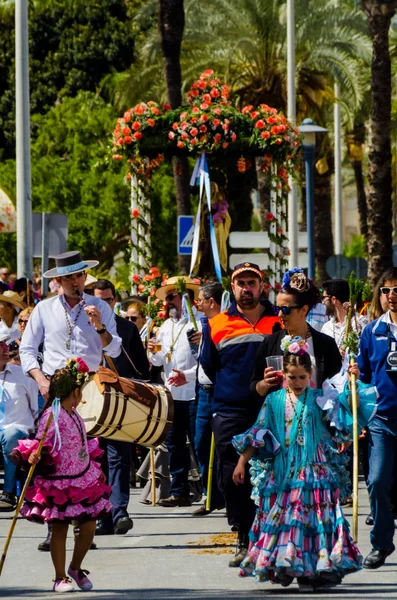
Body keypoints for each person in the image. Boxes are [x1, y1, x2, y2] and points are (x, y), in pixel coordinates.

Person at [232, 340, 366, 590]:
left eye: (302, 377)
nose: (297, 382)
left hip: (314, 469)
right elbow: (259, 434)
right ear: (284, 374)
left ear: (310, 374)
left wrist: (352, 384)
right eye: (292, 377)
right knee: (285, 518)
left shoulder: (321, 398)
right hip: (283, 470)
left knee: (314, 518)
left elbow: (344, 416)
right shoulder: (273, 401)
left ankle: (315, 568)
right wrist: (242, 461)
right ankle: (284, 563)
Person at [19, 250, 121, 551]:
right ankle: (55, 527)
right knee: (52, 458)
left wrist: (100, 327)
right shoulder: (44, 309)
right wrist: (40, 379)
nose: (76, 281)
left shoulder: (100, 305)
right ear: (59, 281)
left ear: (84, 277)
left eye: (79, 276)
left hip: (90, 388)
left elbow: (114, 349)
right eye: (69, 277)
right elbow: (27, 350)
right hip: (54, 388)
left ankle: (85, 525)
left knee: (89, 457)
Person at [200, 262, 280, 567]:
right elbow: (209, 366)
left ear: (262, 286)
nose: (247, 288)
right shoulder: (217, 324)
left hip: (271, 407)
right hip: (231, 409)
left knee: (273, 470)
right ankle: (243, 536)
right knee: (234, 473)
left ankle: (271, 535)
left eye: (252, 282)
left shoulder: (278, 320)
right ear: (232, 288)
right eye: (241, 283)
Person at [12, 358, 112, 593]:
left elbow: (84, 445)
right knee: (60, 527)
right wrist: (34, 454)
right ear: (74, 391)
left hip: (82, 477)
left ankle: (76, 568)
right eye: (81, 392)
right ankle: (59, 577)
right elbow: (39, 444)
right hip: (58, 482)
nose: (83, 397)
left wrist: (96, 472)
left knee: (89, 525)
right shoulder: (51, 417)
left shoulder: (76, 413)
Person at [92, 279, 150, 535]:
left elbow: (141, 367)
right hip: (90, 401)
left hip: (120, 400)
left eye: (109, 300)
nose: (104, 304)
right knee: (96, 458)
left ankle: (119, 511)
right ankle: (101, 514)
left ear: (115, 301)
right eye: (98, 300)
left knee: (118, 456)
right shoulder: (80, 327)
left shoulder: (127, 328)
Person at [172, 282, 226, 516]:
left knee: (224, 443)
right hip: (201, 391)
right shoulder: (201, 325)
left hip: (220, 390)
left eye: (201, 300)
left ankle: (226, 493)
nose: (198, 305)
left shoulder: (224, 325)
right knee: (200, 441)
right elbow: (201, 362)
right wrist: (188, 375)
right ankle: (210, 494)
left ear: (211, 302)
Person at [148, 276, 201, 507]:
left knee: (199, 443)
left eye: (172, 297)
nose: (168, 302)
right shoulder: (165, 326)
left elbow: (205, 360)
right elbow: (159, 360)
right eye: (166, 298)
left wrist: (186, 376)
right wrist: (151, 350)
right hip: (170, 393)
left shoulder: (198, 324)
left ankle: (209, 492)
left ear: (186, 297)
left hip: (193, 392)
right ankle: (179, 491)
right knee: (174, 445)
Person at [357, 267, 397, 569]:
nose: (391, 296)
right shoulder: (372, 331)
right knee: (377, 479)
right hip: (381, 418)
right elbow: (365, 377)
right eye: (386, 290)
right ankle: (381, 543)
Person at [252, 268, 341, 397]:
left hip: (317, 414)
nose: (280, 314)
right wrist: (265, 383)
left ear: (304, 310)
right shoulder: (270, 343)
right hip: (281, 414)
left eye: (286, 309)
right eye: (277, 309)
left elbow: (337, 386)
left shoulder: (325, 345)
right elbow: (254, 388)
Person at [0, 336, 39, 510]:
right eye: (0, 345)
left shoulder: (22, 374)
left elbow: (35, 408)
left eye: (5, 344)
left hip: (19, 431)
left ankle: (8, 492)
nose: (5, 348)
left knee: (11, 435)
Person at [321, 279, 367, 354]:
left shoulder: (360, 323)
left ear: (334, 300)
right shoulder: (326, 327)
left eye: (324, 298)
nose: (322, 302)